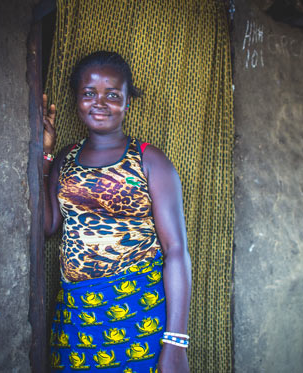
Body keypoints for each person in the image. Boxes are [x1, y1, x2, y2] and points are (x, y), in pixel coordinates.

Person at [42, 51, 191, 373]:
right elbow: (47, 225)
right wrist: (44, 157)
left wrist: (176, 341)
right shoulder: (65, 158)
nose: (100, 102)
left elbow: (176, 250)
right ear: (76, 100)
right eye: (89, 94)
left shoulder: (150, 160)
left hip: (137, 310)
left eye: (112, 95)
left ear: (127, 102)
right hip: (76, 312)